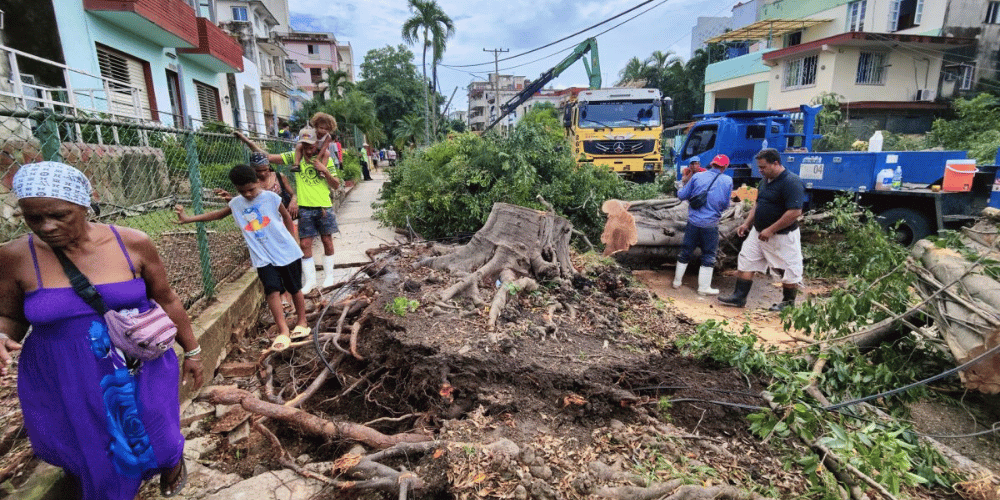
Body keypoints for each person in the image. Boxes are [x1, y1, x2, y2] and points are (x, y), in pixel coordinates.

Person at [0, 161, 203, 500]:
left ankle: (171, 462)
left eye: (59, 215)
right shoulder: (15, 257)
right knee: (98, 451)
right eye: (34, 218)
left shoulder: (133, 243)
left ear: (85, 203)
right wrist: (3, 336)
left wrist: (193, 351)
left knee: (160, 435)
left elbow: (167, 299)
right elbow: (9, 313)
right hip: (66, 375)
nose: (46, 227)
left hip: (141, 363)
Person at [175, 165, 310, 346]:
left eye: (251, 189)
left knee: (294, 288)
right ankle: (283, 329)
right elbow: (216, 215)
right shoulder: (236, 203)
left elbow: (286, 217)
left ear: (257, 182)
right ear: (236, 189)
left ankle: (302, 321)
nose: (247, 194)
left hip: (286, 250)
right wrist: (187, 218)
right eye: (242, 191)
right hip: (262, 257)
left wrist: (293, 240)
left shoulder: (271, 197)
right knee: (272, 290)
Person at [235, 128, 340, 293]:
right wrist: (246, 141)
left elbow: (336, 184)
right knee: (305, 244)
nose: (308, 149)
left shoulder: (325, 159)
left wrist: (324, 170)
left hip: (323, 206)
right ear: (300, 145)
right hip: (305, 208)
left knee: (327, 241)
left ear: (316, 145)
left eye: (311, 145)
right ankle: (310, 281)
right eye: (304, 145)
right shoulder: (294, 158)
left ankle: (329, 277)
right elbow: (266, 157)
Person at [719, 148, 805, 311]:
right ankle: (739, 297)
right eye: (759, 167)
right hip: (758, 232)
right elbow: (758, 204)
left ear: (776, 163)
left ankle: (788, 303)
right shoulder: (765, 180)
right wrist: (747, 223)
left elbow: (795, 212)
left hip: (782, 236)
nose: (760, 170)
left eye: (763, 167)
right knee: (746, 260)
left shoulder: (791, 182)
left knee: (789, 268)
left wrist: (771, 230)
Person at [674, 154, 734, 295]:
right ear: (725, 166)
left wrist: (679, 187)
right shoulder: (727, 180)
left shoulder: (697, 177)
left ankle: (677, 282)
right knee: (708, 255)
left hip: (693, 222)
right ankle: (703, 288)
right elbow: (726, 205)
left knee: (685, 252)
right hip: (710, 224)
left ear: (712, 164)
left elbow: (682, 196)